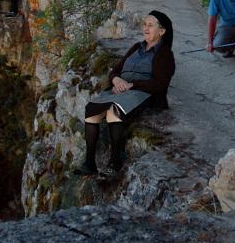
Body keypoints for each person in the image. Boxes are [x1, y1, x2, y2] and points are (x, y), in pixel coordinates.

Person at [74, 10, 175, 179]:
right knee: (91, 109)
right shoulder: (137, 47)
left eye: (151, 25)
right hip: (121, 88)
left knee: (114, 111)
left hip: (143, 93)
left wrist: (132, 85)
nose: (146, 28)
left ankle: (115, 163)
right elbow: (115, 70)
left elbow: (160, 84)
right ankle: (89, 163)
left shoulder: (164, 54)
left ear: (162, 31)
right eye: (144, 24)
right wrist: (116, 81)